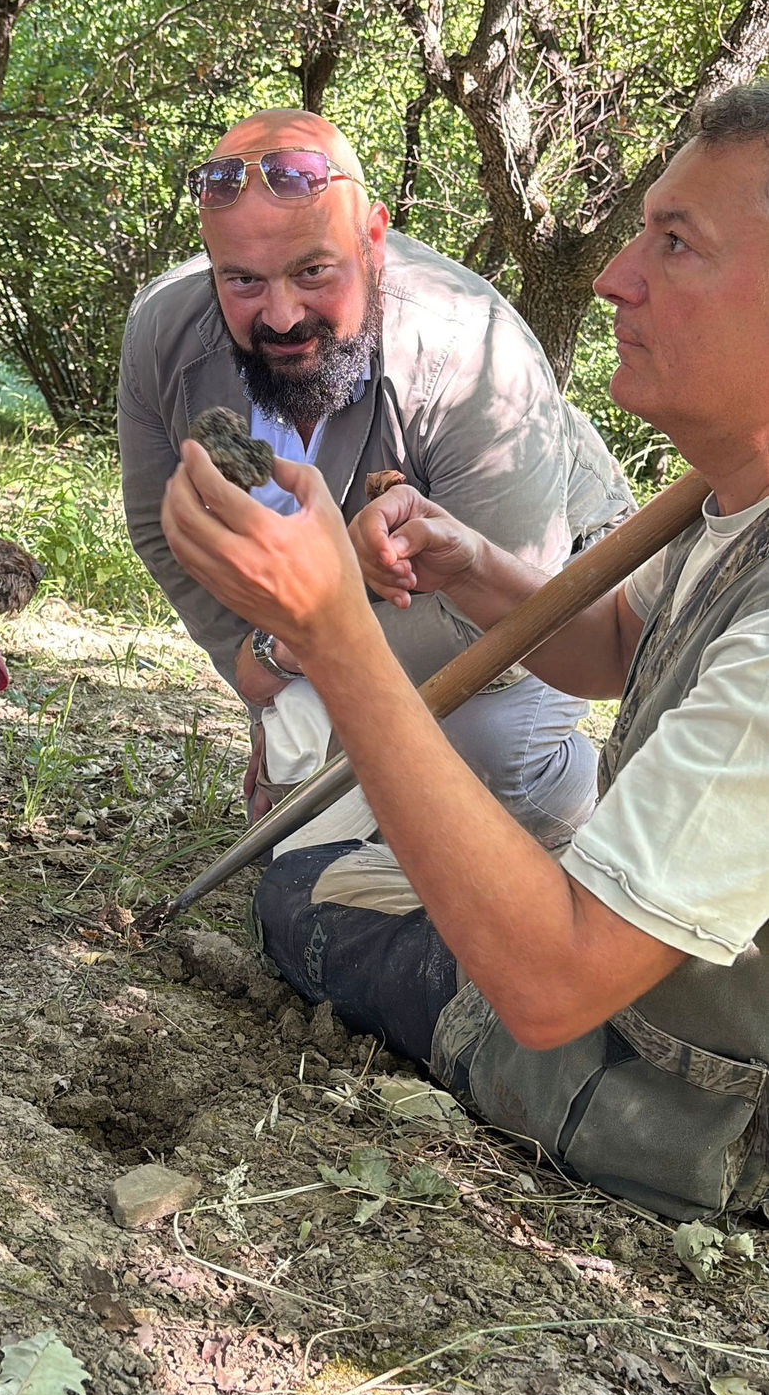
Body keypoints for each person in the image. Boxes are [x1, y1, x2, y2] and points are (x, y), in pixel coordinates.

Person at [161, 80, 769, 1223]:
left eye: (675, 243)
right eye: (640, 226)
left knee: (297, 891)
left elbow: (548, 986)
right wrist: (471, 563)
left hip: (679, 1095)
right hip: (634, 973)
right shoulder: (735, 491)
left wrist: (334, 630)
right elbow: (618, 646)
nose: (612, 275)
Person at [118, 108, 633, 851]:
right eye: (242, 281)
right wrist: (260, 673)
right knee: (322, 819)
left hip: (538, 581)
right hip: (327, 607)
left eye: (312, 272)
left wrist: (307, 670)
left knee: (480, 777)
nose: (282, 315)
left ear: (373, 238)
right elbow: (162, 528)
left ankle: (576, 811)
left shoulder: (471, 350)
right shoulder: (162, 332)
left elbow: (495, 600)